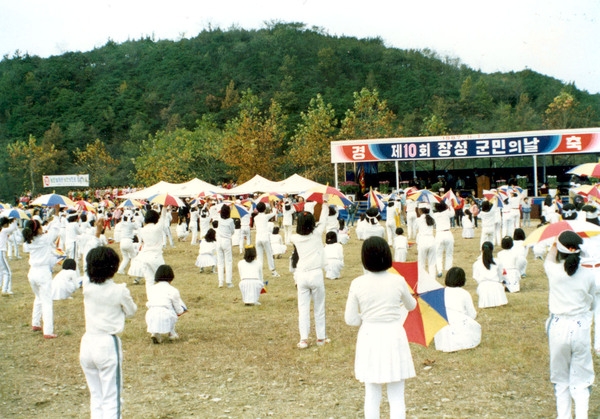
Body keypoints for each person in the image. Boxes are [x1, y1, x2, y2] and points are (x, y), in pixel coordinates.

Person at [345, 236, 417, 419]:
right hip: (394, 335)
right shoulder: (398, 281)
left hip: (369, 335)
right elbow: (411, 306)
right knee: (396, 395)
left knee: (372, 394)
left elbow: (351, 319)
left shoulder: (357, 283)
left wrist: (367, 318)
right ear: (387, 255)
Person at [80, 246, 137, 418]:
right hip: (107, 344)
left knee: (96, 395)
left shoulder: (86, 286)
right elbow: (132, 311)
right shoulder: (119, 290)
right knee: (112, 397)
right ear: (114, 268)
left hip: (88, 342)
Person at [545, 231, 595, 419]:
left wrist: (554, 242)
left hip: (558, 326)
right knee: (581, 380)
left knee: (560, 379)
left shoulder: (553, 271)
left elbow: (550, 257)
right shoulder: (588, 275)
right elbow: (591, 300)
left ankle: (563, 416)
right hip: (580, 326)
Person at [290, 201, 330, 349]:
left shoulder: (294, 238)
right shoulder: (316, 234)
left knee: (303, 308)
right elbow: (324, 219)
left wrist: (308, 208)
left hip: (302, 274)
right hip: (316, 274)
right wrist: (324, 204)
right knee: (319, 307)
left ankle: (304, 339)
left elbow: (306, 221)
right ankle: (320, 338)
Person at [22, 218, 61, 338]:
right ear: (37, 229)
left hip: (32, 272)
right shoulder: (44, 239)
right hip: (43, 272)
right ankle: (48, 331)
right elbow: (56, 230)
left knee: (38, 297)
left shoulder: (28, 242)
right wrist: (56, 215)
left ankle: (36, 323)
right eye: (40, 227)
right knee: (47, 302)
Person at [434, 267, 481, 352]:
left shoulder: (440, 292)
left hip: (443, 326)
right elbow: (472, 314)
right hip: (460, 323)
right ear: (462, 279)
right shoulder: (464, 293)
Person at [146, 264, 187, 343]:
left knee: (156, 310)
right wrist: (183, 310)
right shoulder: (173, 290)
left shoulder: (151, 289)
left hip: (150, 315)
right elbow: (178, 310)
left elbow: (148, 304)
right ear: (171, 276)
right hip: (166, 314)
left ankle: (155, 333)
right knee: (173, 310)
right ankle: (171, 333)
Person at [128, 209, 164, 291]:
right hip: (156, 257)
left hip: (144, 257)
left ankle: (151, 299)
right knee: (163, 280)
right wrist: (164, 208)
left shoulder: (142, 230)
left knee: (149, 281)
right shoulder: (157, 228)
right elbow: (163, 217)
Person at [472, 241, 508, 309]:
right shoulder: (498, 262)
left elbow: (475, 277)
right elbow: (501, 275)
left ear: (482, 250)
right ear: (492, 250)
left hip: (483, 287)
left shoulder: (476, 264)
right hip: (497, 287)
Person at [253, 202, 280, 277]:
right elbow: (274, 212)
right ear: (264, 209)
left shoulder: (255, 217)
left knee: (259, 256)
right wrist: (272, 206)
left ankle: (258, 272)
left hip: (258, 237)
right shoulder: (266, 216)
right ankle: (273, 271)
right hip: (265, 237)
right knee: (269, 254)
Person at [433, 201, 455, 278]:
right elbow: (453, 213)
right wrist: (450, 206)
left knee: (438, 254)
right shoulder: (447, 212)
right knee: (449, 253)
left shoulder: (435, 215)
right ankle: (448, 270)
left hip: (439, 234)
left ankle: (439, 270)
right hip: (448, 233)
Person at [216, 204, 235, 288]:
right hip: (226, 241)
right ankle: (229, 281)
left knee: (220, 262)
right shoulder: (230, 221)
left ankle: (220, 281)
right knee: (228, 261)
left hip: (219, 241)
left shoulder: (219, 219)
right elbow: (233, 231)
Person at [415, 204, 436, 278]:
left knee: (421, 263)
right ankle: (432, 280)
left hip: (423, 240)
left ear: (420, 210)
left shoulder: (418, 220)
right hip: (431, 240)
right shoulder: (431, 218)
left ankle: (422, 279)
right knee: (432, 263)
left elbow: (416, 229)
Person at [0, 217, 18, 295]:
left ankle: (2, 286)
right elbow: (13, 228)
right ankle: (6, 290)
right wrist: (14, 220)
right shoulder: (3, 230)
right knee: (7, 272)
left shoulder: (2, 231)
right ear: (5, 224)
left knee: (1, 271)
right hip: (1, 252)